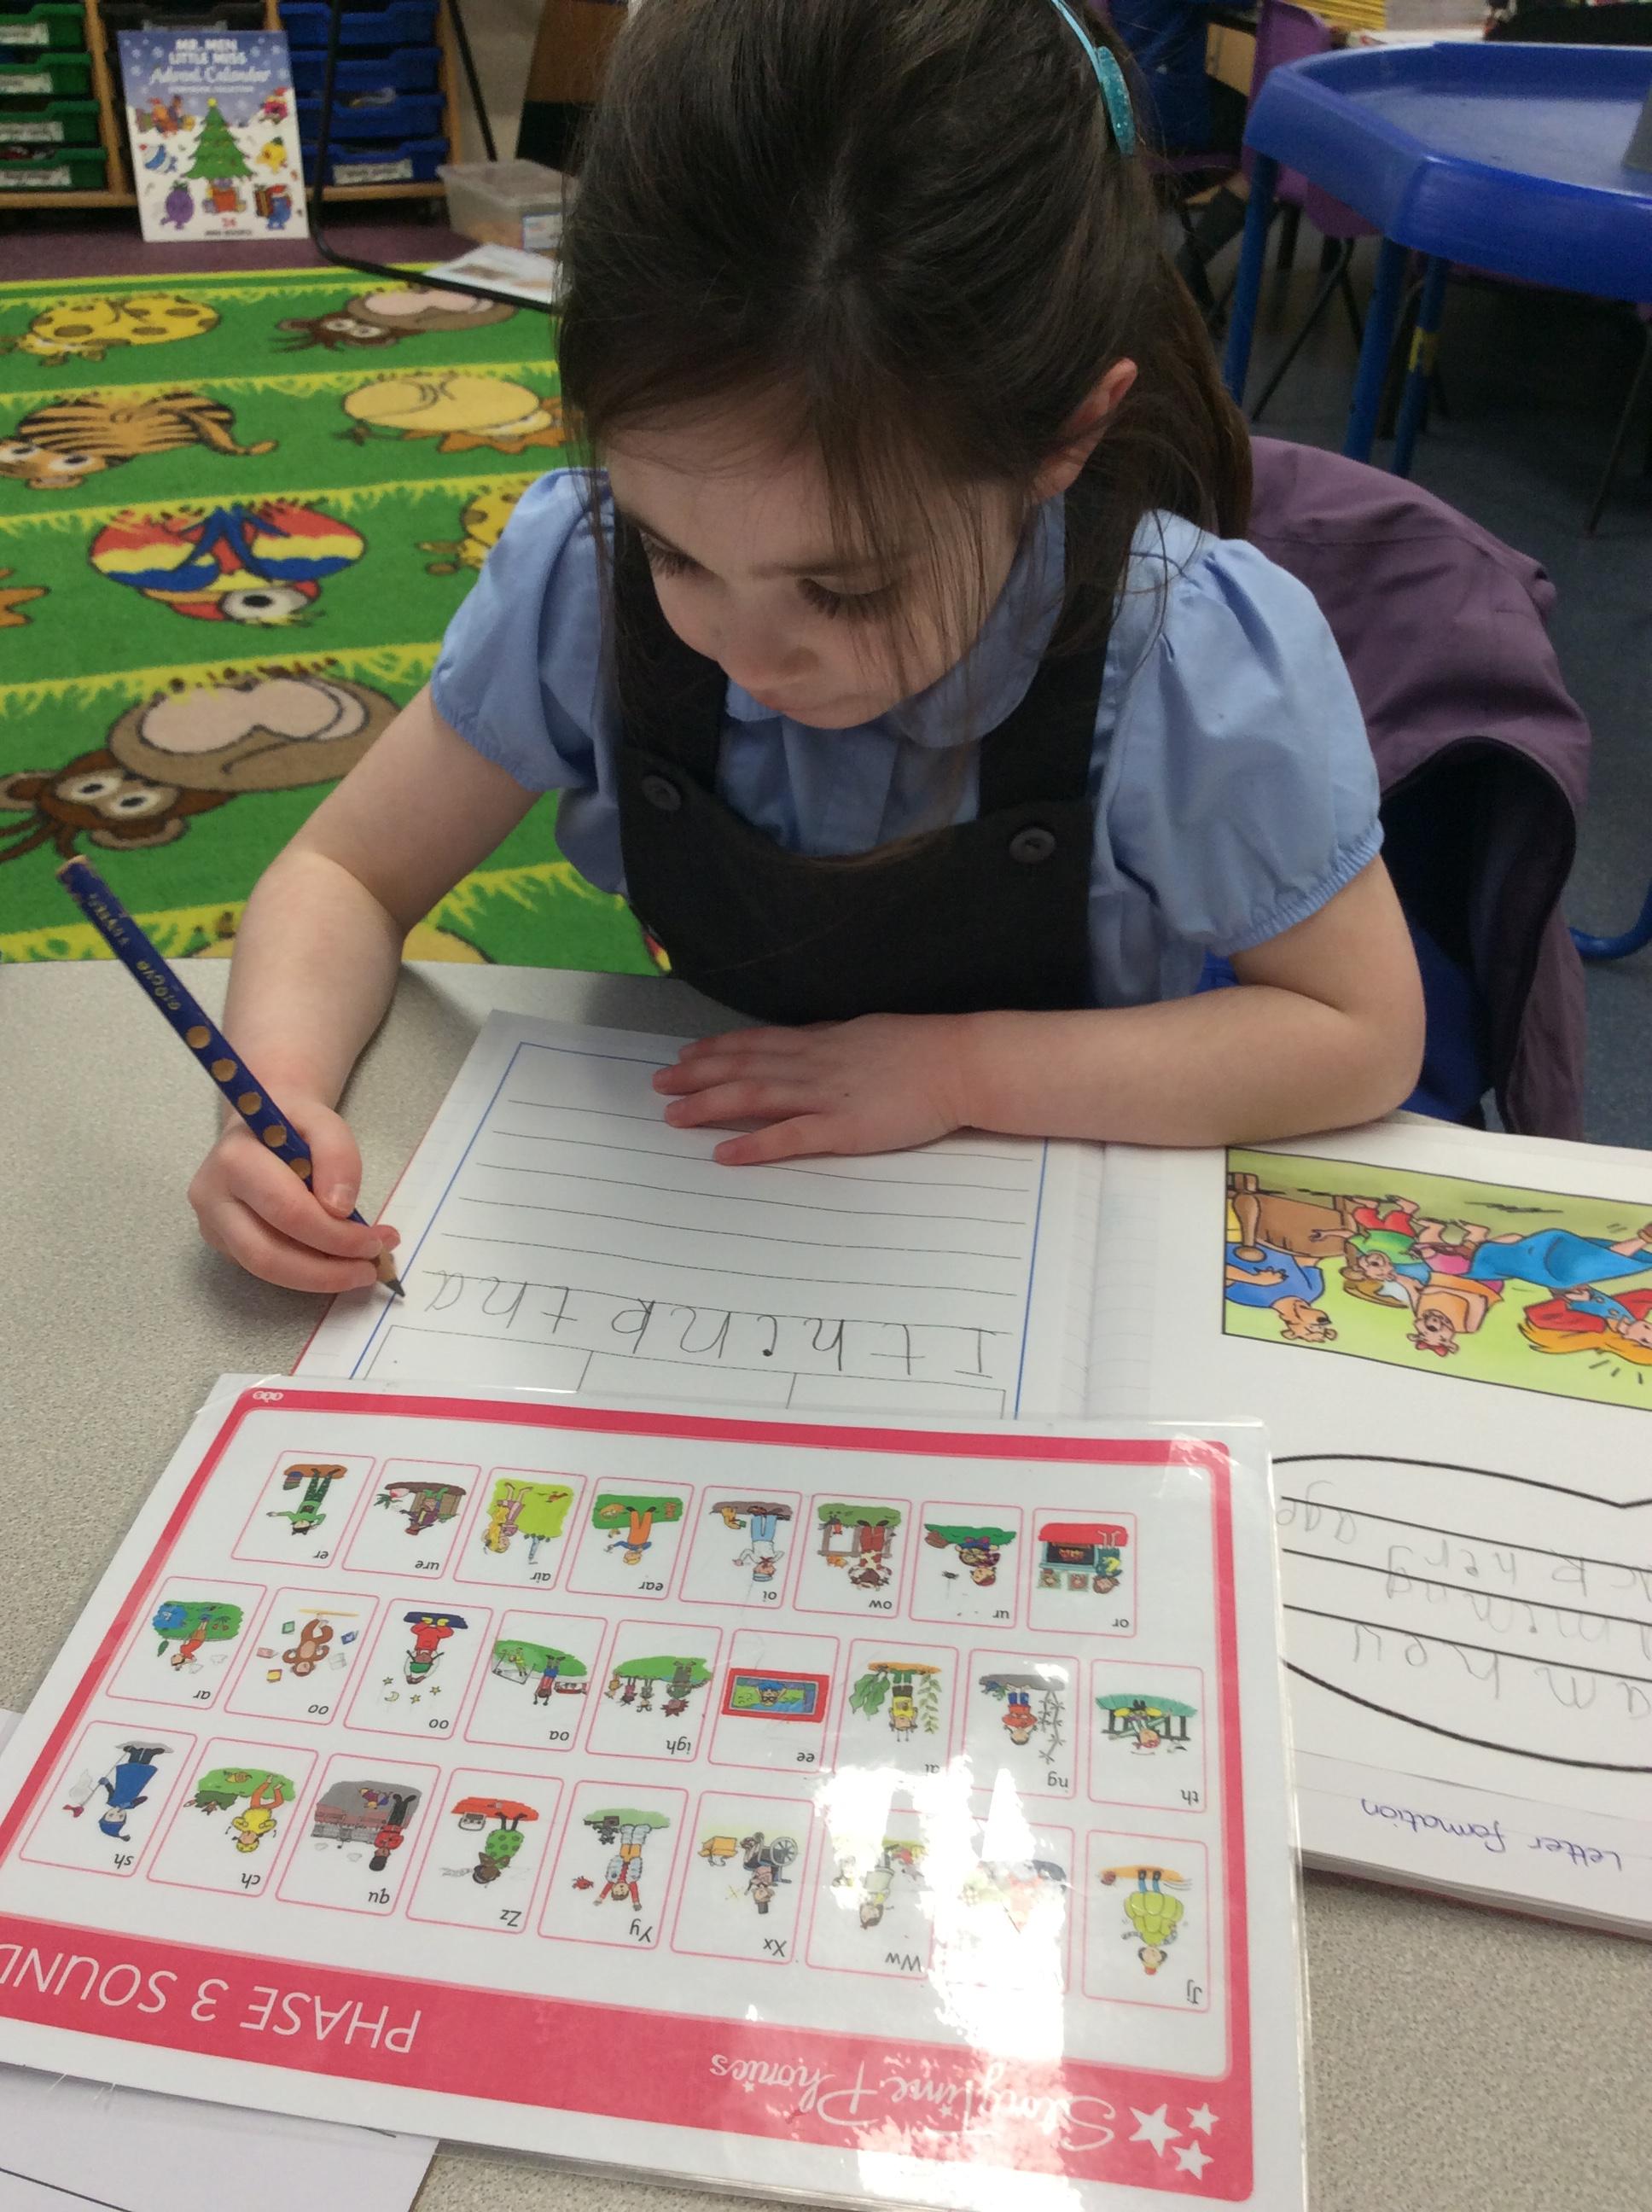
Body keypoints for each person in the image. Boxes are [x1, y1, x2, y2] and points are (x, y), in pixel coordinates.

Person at [186, 0, 1423, 1296]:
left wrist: (960, 1072)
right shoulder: (581, 578)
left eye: (845, 590)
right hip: (704, 1230)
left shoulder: (1181, 654)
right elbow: (344, 871)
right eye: (674, 553)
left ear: (1065, 436)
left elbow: (1360, 1031)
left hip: (1044, 1241)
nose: (749, 657)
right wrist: (274, 1095)